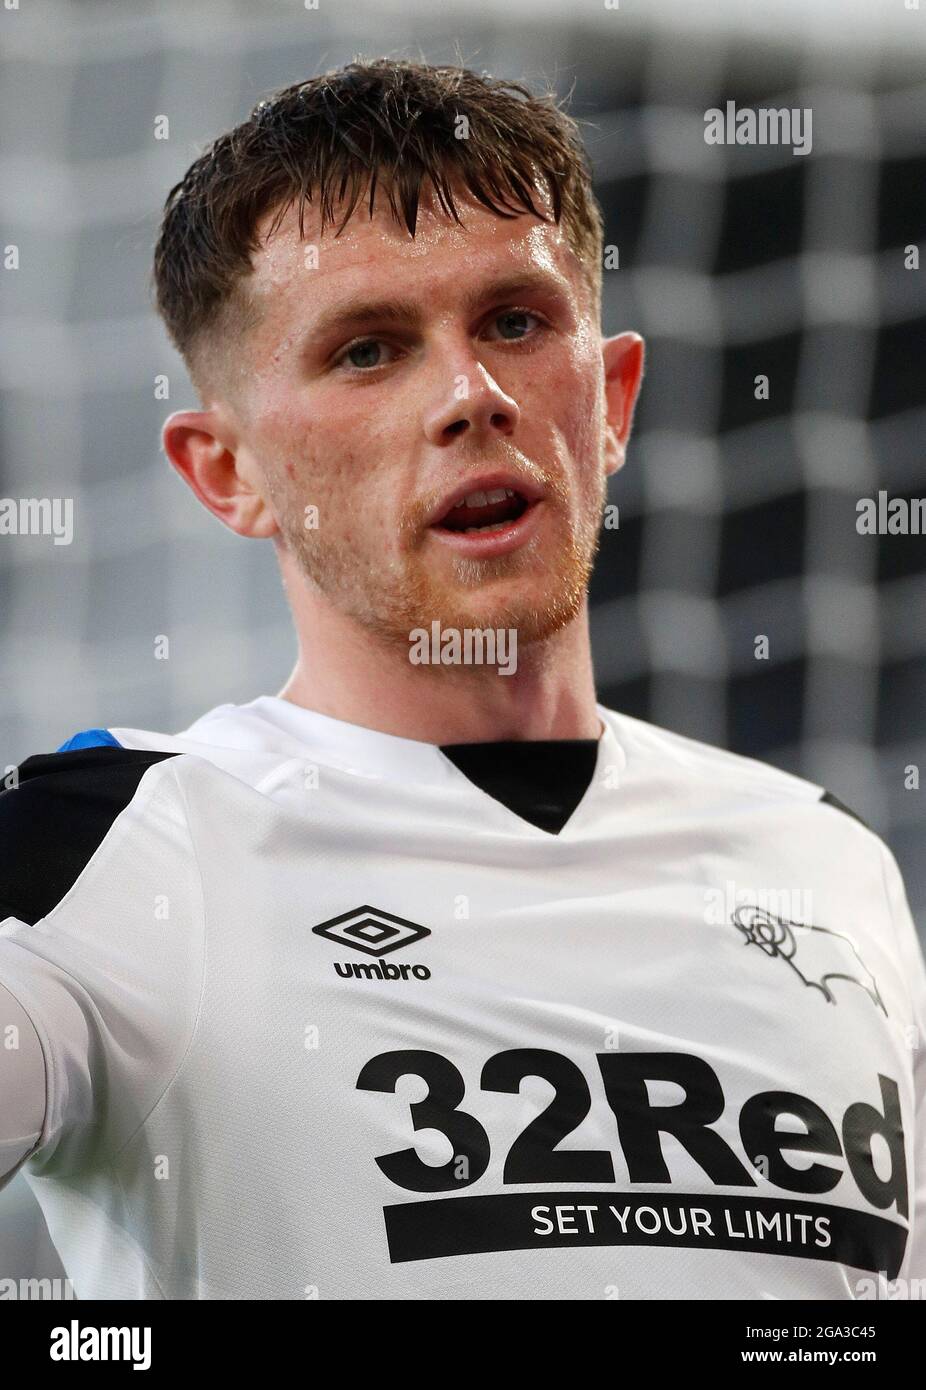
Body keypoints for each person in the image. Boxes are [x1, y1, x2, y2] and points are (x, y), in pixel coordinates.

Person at [0, 59, 922, 1300]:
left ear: (609, 399)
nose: (469, 397)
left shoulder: (825, 862)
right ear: (228, 475)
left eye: (513, 322)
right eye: (368, 349)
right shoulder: (114, 850)